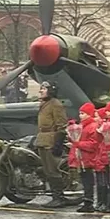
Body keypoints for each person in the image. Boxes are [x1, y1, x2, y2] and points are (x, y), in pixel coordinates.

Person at [35, 80, 69, 208]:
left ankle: (59, 197)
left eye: (44, 88)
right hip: (43, 139)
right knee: (47, 170)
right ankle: (54, 196)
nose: (41, 90)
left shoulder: (55, 104)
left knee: (53, 170)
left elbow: (62, 125)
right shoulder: (44, 104)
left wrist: (58, 143)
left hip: (51, 140)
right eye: (41, 88)